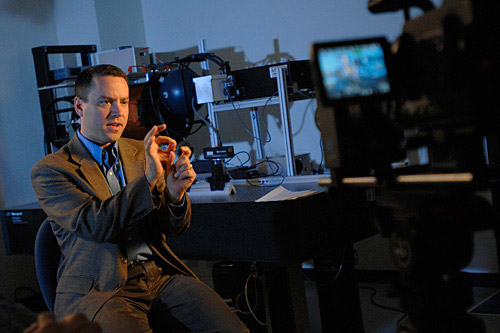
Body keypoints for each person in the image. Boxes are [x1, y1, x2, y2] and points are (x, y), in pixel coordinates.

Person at [31, 64, 248, 332]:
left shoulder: (139, 152)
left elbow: (173, 228)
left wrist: (174, 193)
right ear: (79, 106)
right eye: (105, 102)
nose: (118, 112)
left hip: (158, 276)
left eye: (123, 102)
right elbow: (96, 225)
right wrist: (147, 182)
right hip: (101, 289)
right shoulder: (52, 170)